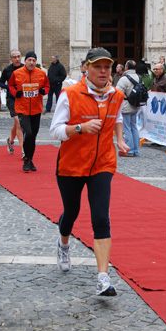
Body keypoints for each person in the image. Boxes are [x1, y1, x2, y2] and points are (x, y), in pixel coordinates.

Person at [49, 47, 129, 297]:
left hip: (102, 164)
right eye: (98, 67)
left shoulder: (116, 94)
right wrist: (80, 128)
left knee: (101, 219)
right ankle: (63, 245)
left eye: (107, 67)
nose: (104, 71)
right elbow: (55, 131)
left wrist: (120, 140)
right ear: (87, 68)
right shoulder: (70, 94)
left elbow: (116, 118)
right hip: (72, 164)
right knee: (71, 212)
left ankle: (103, 278)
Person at [8, 51, 50, 172]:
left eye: (33, 60)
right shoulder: (17, 73)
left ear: (36, 62)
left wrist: (44, 91)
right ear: (25, 61)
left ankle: (30, 159)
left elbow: (47, 86)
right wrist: (16, 93)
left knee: (33, 136)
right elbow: (10, 85)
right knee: (29, 133)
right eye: (29, 60)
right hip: (22, 109)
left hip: (36, 109)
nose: (31, 62)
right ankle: (26, 158)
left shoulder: (41, 73)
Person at [0, 50, 25, 156]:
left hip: (22, 98)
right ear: (11, 59)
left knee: (16, 123)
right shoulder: (7, 70)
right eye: (14, 57)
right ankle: (23, 150)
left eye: (19, 56)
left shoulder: (25, 68)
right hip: (11, 98)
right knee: (18, 122)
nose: (17, 59)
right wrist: (9, 88)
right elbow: (0, 82)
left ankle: (10, 141)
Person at [116, 59, 141, 157]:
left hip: (126, 105)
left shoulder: (124, 79)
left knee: (126, 128)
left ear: (126, 67)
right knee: (134, 127)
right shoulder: (139, 77)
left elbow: (117, 93)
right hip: (135, 105)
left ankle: (129, 150)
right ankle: (136, 149)